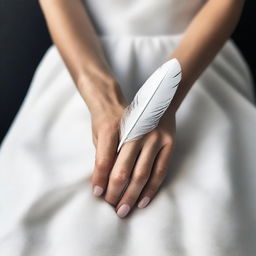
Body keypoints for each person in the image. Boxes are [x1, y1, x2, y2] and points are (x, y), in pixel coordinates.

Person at [0, 0, 255, 255]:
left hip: (197, 60)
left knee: (213, 228)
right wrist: (99, 96)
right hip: (80, 58)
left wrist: (168, 101)